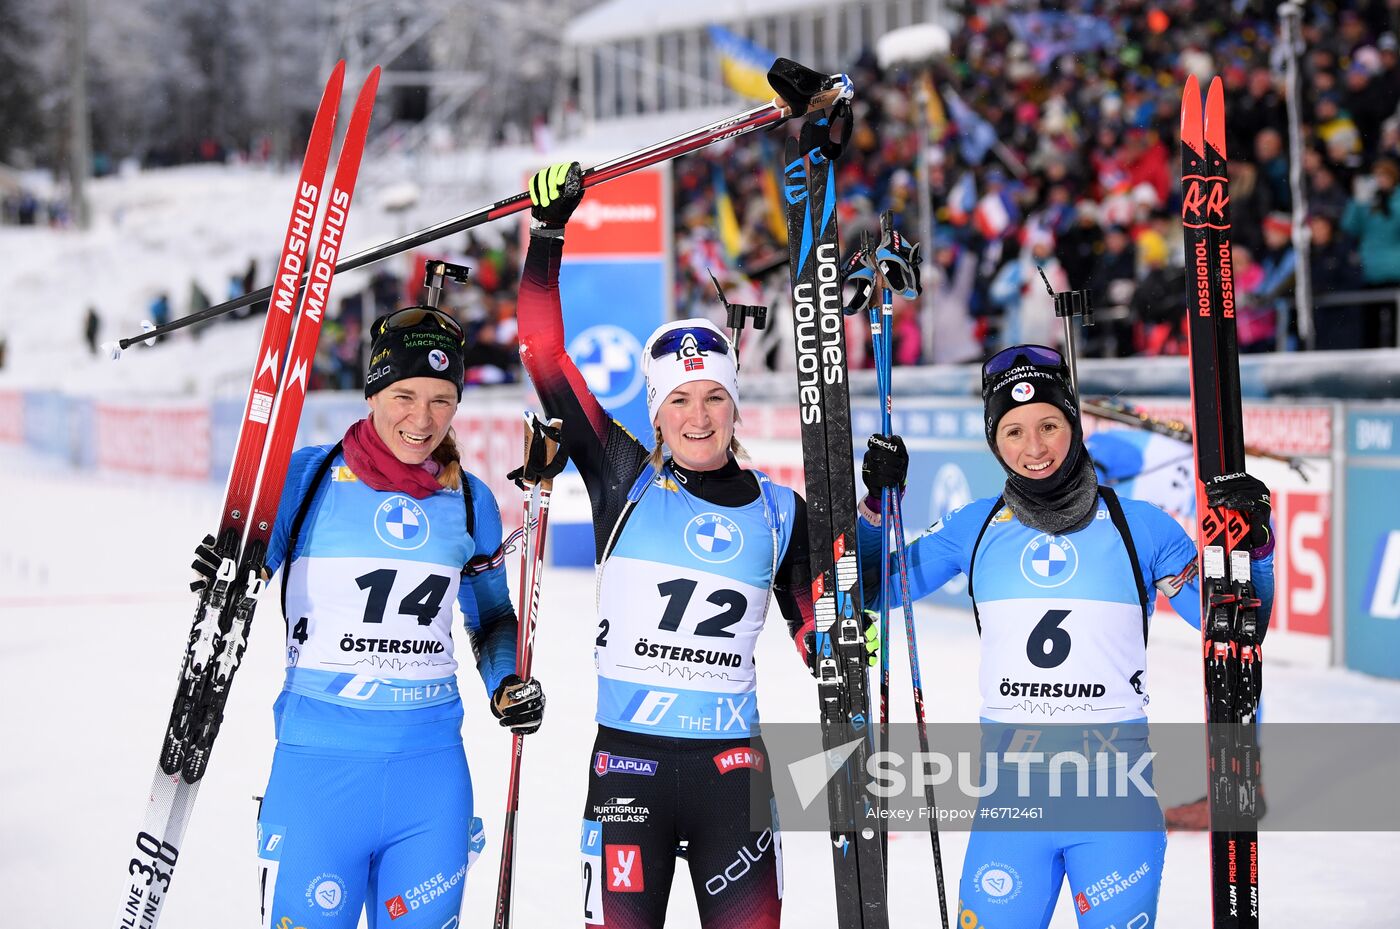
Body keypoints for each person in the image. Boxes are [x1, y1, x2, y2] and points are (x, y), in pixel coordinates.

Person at [516, 162, 838, 929]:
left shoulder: (780, 511)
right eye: (680, 401)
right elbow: (542, 353)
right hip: (629, 768)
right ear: (656, 415)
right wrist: (547, 236)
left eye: (714, 398)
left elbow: (825, 642)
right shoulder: (620, 475)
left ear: (734, 404)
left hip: (735, 773)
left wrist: (842, 635)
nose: (699, 417)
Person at [859, 345, 1276, 929]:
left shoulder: (1143, 526)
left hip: (1115, 806)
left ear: (1074, 424)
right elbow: (871, 589)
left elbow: (1234, 626)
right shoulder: (972, 528)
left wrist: (1254, 546)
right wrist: (877, 506)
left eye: (1050, 425)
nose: (1034, 448)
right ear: (994, 442)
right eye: (1013, 432)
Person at [193, 306, 546, 928]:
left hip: (431, 780)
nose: (423, 418)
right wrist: (227, 571)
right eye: (405, 395)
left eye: (443, 399)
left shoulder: (469, 499)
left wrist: (506, 684)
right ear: (374, 391)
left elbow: (491, 616)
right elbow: (248, 577)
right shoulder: (306, 478)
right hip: (318, 776)